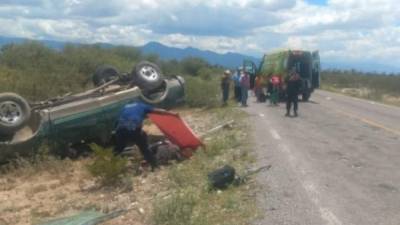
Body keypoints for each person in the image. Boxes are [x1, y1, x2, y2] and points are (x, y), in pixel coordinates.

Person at [114, 102, 176, 170]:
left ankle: (110, 167)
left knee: (118, 149)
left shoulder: (124, 107)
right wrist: (172, 114)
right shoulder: (141, 105)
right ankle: (155, 166)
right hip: (134, 128)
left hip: (120, 129)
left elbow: (118, 120)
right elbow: (158, 111)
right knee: (144, 149)